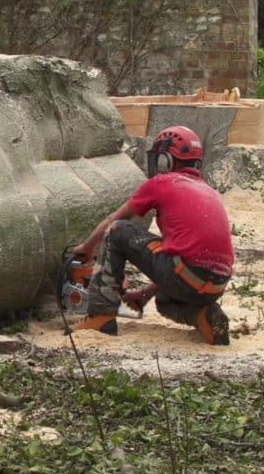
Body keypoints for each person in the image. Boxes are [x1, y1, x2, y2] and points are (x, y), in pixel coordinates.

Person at [71, 126, 235, 345]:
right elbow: (190, 259)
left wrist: (88, 247)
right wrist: (145, 294)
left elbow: (116, 220)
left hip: (185, 274)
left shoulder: (163, 183)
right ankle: (203, 316)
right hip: (214, 286)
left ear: (166, 160)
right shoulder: (210, 191)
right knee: (164, 302)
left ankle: (101, 315)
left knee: (118, 230)